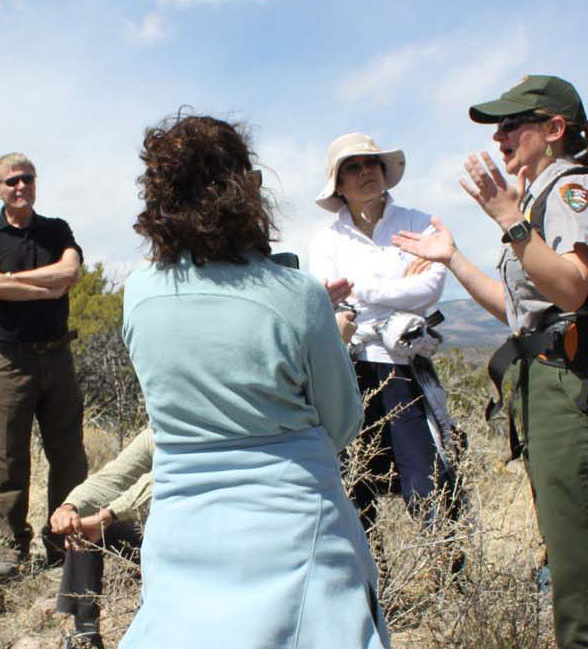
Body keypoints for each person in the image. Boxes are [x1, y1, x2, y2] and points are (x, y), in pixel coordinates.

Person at [119, 113, 388, 648]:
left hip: (181, 531)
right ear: (250, 190)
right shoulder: (298, 295)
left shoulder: (139, 294)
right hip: (295, 533)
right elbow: (342, 421)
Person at [393, 75, 588, 648]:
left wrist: (511, 221)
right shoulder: (540, 200)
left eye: (513, 124)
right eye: (497, 127)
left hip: (576, 387)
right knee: (576, 548)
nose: (500, 136)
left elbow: (574, 289)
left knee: (581, 558)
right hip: (553, 382)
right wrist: (452, 258)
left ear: (554, 129)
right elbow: (519, 309)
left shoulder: (573, 188)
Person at [308, 132, 463, 534]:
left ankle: (446, 571)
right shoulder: (325, 240)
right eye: (353, 168)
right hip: (352, 370)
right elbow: (326, 297)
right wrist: (397, 289)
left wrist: (360, 290)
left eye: (371, 164)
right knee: (354, 481)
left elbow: (430, 288)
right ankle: (370, 581)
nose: (365, 173)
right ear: (339, 184)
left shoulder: (417, 222)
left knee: (426, 476)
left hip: (404, 367)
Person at [0, 152, 90, 573]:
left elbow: (69, 271)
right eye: (11, 181)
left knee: (68, 454)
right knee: (10, 458)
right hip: (9, 361)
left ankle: (63, 541)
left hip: (57, 355)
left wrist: (11, 284)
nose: (21, 187)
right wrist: (44, 287)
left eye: (27, 179)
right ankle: (11, 545)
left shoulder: (56, 230)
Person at [48, 428, 154, 649]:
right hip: (155, 534)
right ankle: (86, 636)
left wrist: (108, 515)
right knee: (83, 529)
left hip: (203, 540)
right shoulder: (157, 431)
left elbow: (163, 480)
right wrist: (70, 507)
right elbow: (114, 477)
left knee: (95, 523)